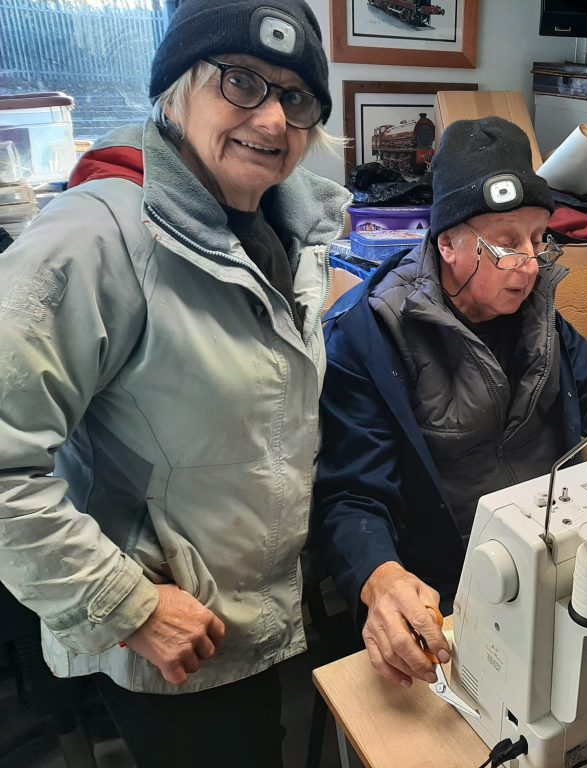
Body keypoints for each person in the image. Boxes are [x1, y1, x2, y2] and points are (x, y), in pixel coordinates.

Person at [0, 0, 350, 765]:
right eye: (242, 82)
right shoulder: (94, 239)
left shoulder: (282, 230)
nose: (272, 120)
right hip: (173, 641)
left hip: (255, 614)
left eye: (296, 98)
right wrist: (123, 605)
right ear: (177, 88)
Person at [313, 117, 587, 689]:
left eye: (537, 238)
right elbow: (352, 495)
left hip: (559, 558)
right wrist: (379, 577)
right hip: (451, 587)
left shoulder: (537, 314)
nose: (529, 263)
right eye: (505, 244)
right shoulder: (371, 335)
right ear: (447, 242)